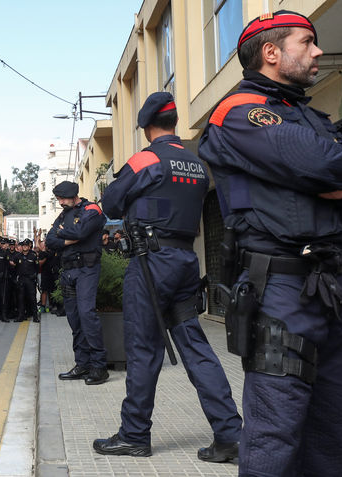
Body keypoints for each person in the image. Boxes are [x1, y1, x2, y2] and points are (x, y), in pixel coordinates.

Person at [198, 11, 342, 476]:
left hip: (333, 289)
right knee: (274, 435)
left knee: (330, 434)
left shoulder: (308, 115)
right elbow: (322, 161)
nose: (318, 51)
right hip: (280, 291)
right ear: (271, 52)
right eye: (307, 42)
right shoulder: (238, 111)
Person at [95, 92, 242, 460]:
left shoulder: (148, 158)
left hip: (150, 264)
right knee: (195, 346)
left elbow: (111, 202)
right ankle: (231, 433)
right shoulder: (194, 162)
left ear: (146, 127)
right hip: (184, 261)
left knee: (143, 349)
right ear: (175, 121)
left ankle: (134, 434)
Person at [45, 181, 108, 385]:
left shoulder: (92, 209)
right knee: (74, 319)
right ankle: (82, 364)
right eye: (58, 199)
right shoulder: (64, 215)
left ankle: (99, 366)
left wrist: (64, 233)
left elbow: (81, 233)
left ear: (73, 196)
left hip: (87, 269)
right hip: (69, 271)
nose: (60, 202)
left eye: (62, 198)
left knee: (87, 314)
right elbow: (49, 241)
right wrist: (69, 236)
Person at [10, 238, 40, 322]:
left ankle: (35, 316)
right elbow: (13, 266)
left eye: (26, 245)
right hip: (21, 280)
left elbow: (37, 268)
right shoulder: (18, 256)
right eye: (23, 246)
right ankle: (21, 316)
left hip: (30, 280)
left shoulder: (33, 255)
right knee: (21, 299)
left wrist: (33, 276)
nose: (25, 247)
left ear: (29, 247)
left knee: (32, 299)